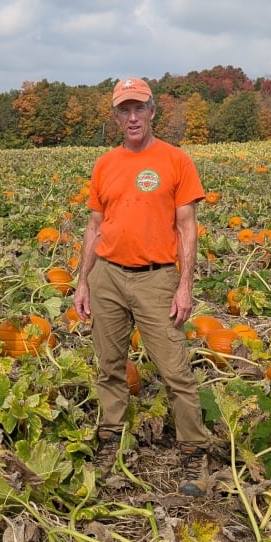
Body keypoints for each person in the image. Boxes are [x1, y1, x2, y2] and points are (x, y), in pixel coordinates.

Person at [73, 77, 215, 497]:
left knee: (175, 370)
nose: (132, 117)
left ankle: (194, 448)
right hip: (108, 276)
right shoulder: (105, 164)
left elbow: (187, 227)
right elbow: (95, 226)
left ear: (153, 111)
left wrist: (184, 285)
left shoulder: (175, 160)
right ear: (116, 116)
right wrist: (83, 280)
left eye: (139, 108)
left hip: (157, 277)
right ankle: (109, 438)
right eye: (124, 110)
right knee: (110, 366)